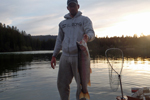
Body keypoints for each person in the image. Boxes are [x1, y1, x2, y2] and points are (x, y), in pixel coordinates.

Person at [50, 0, 95, 100]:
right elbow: (59, 40)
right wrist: (54, 55)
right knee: (62, 84)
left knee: (81, 84)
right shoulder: (62, 24)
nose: (72, 8)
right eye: (70, 6)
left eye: (74, 5)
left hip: (80, 57)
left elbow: (91, 33)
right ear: (67, 8)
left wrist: (87, 37)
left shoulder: (85, 20)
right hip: (65, 57)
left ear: (78, 6)